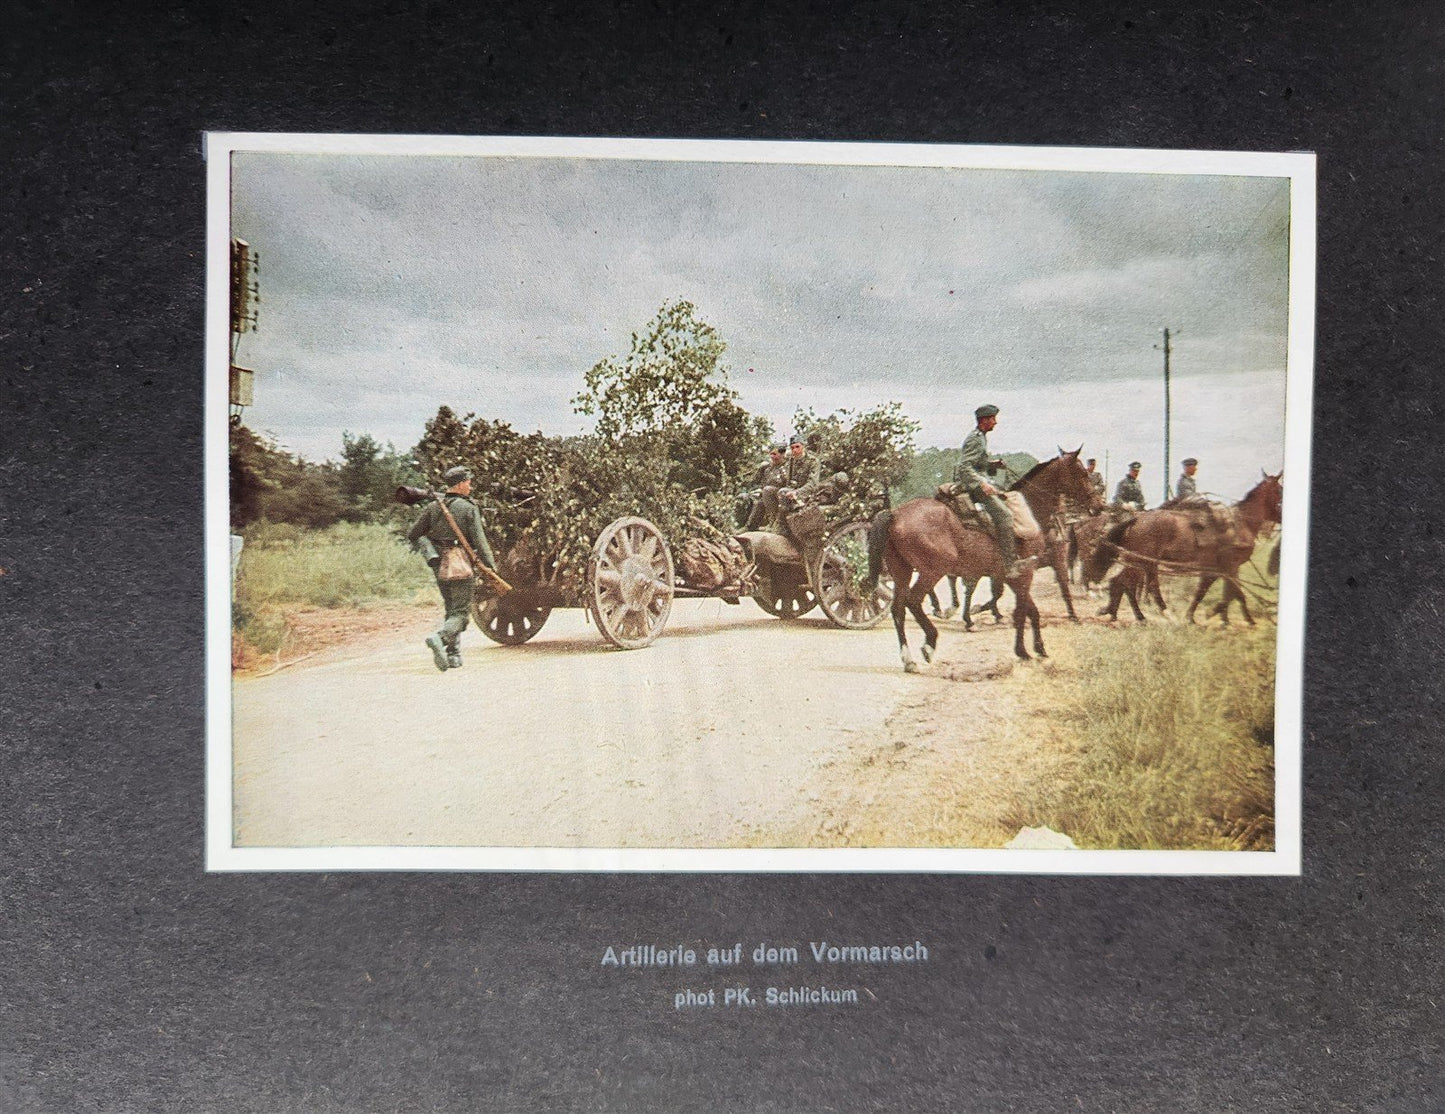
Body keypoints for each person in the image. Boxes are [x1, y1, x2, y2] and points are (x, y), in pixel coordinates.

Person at [408, 465, 497, 672]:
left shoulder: (433, 507)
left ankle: (453, 654)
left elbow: (414, 534)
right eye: (468, 482)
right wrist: (491, 567)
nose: (470, 487)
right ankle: (439, 638)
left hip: (439, 563)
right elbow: (480, 541)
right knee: (461, 614)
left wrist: (430, 551)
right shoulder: (468, 508)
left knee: (451, 608)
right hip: (459, 562)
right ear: (460, 484)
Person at [954, 403, 1021, 578]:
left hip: (977, 482)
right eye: (993, 419)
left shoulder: (981, 437)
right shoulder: (975, 439)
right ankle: (1009, 565)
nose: (995, 422)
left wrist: (993, 465)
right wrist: (982, 483)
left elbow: (977, 463)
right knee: (1005, 516)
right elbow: (964, 466)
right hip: (973, 486)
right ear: (984, 420)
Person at [743, 445, 788, 530]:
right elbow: (755, 481)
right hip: (767, 494)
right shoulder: (767, 467)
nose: (772, 457)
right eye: (771, 454)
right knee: (758, 502)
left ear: (782, 454)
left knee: (767, 491)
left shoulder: (787, 466)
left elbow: (786, 483)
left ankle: (773, 522)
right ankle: (749, 527)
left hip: (781, 496)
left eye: (775, 454)